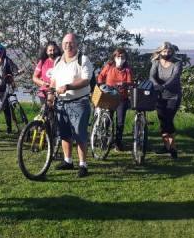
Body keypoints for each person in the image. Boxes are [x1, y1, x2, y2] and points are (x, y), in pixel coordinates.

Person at [50, 33, 93, 177]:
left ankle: (83, 165)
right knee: (64, 134)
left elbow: (86, 80)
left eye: (71, 43)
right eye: (65, 43)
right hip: (61, 102)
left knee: (80, 135)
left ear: (76, 44)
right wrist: (51, 93)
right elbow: (53, 80)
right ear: (62, 45)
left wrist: (68, 86)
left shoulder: (83, 59)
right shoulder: (58, 61)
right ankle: (68, 161)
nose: (68, 45)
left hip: (79, 102)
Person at [149, 41, 182, 159]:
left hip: (173, 96)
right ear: (160, 52)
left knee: (168, 120)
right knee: (163, 121)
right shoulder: (156, 62)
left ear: (172, 52)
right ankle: (166, 146)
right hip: (159, 96)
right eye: (164, 51)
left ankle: (173, 148)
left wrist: (164, 86)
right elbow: (152, 76)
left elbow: (175, 76)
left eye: (168, 51)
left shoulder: (177, 62)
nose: (166, 53)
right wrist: (157, 85)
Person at [97, 48, 133, 151]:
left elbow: (130, 83)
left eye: (122, 57)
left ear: (125, 59)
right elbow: (101, 76)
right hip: (110, 97)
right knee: (107, 119)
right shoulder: (109, 66)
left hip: (122, 98)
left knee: (120, 122)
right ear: (114, 57)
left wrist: (125, 84)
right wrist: (101, 85)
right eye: (118, 57)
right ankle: (104, 140)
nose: (120, 59)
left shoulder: (127, 70)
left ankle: (118, 142)